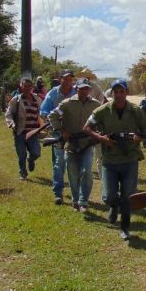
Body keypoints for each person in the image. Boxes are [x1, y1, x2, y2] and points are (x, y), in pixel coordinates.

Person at [84, 79, 146, 239]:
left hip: (129, 159)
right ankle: (113, 206)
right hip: (110, 160)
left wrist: (139, 137)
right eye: (116, 92)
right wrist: (102, 138)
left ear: (126, 93)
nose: (119, 95)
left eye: (122, 91)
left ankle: (125, 228)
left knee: (128, 196)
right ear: (111, 93)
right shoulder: (102, 110)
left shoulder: (136, 110)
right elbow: (86, 128)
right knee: (109, 196)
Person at [49, 78, 100, 212]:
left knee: (86, 171)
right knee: (73, 174)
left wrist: (98, 134)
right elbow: (52, 116)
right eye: (81, 88)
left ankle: (83, 201)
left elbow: (103, 119)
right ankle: (75, 200)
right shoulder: (66, 104)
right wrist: (62, 131)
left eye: (86, 88)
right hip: (70, 144)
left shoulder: (96, 105)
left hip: (88, 144)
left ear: (89, 89)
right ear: (76, 89)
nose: (83, 91)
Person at [40, 70, 77, 205]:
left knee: (74, 164)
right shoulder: (53, 94)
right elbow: (43, 111)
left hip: (74, 133)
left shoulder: (76, 93)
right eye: (65, 78)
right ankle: (58, 192)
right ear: (60, 79)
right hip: (58, 132)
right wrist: (56, 116)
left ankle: (76, 194)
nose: (68, 81)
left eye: (70, 79)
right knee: (59, 163)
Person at [5, 77, 43, 181]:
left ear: (32, 87)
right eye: (24, 86)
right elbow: (8, 114)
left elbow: (42, 114)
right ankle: (23, 173)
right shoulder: (16, 100)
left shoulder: (37, 99)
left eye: (29, 86)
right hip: (20, 131)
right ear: (20, 86)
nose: (26, 88)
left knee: (36, 153)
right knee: (21, 154)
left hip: (34, 132)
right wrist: (12, 124)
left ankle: (30, 160)